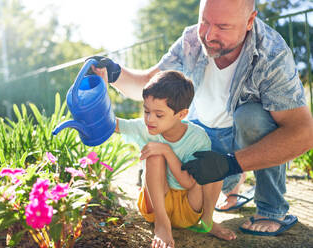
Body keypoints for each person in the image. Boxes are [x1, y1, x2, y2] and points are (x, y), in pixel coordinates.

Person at [89, 0, 313, 237]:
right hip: (201, 140)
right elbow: (152, 85)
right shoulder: (191, 41)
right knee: (168, 142)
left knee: (252, 117)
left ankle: (271, 209)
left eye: (223, 27)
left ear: (249, 21)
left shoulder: (271, 54)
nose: (208, 34)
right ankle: (233, 182)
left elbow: (303, 132)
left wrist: (230, 163)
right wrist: (113, 73)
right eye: (204, 21)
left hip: (237, 148)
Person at [115, 70, 236, 248]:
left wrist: (167, 151)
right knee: (154, 157)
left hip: (189, 208)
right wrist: (101, 83)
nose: (149, 119)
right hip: (157, 207)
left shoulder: (197, 138)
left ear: (181, 114)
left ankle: (207, 222)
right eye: (146, 111)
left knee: (213, 164)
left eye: (159, 114)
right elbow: (112, 124)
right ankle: (162, 225)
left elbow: (188, 183)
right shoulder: (144, 127)